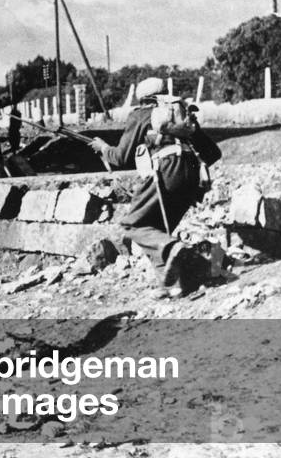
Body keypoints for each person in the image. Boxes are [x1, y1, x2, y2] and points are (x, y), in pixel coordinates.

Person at [88, 78, 221, 297]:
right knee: (155, 231)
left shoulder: (141, 114)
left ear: (141, 99)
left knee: (133, 226)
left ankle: (174, 252)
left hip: (167, 170)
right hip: (193, 176)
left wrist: (103, 148)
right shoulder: (181, 114)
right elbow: (214, 153)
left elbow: (121, 157)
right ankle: (173, 285)